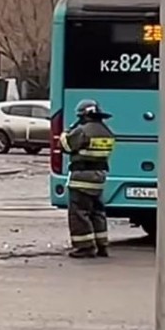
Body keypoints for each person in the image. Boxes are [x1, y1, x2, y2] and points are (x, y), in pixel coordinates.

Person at [60, 99, 116, 259]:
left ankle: (84, 247)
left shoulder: (83, 131)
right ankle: (102, 245)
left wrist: (65, 133)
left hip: (81, 179)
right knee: (97, 212)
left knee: (79, 214)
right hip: (99, 179)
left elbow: (65, 146)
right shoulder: (107, 131)